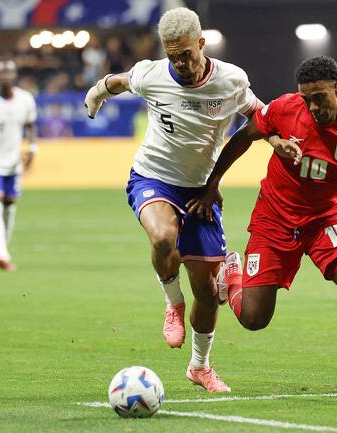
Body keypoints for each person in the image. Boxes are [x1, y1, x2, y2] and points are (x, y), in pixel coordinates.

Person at [189, 56, 337, 394]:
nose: (313, 106)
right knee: (254, 319)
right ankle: (234, 273)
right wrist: (213, 182)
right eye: (307, 98)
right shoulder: (285, 109)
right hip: (274, 219)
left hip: (324, 220)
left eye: (320, 97)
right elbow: (245, 135)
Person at [84, 7, 266, 393]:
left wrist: (280, 138)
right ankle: (172, 302)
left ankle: (200, 366)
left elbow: (259, 115)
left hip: (201, 188)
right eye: (172, 56)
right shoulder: (152, 74)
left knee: (207, 291)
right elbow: (117, 82)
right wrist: (96, 94)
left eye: (186, 53)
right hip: (152, 177)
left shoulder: (231, 80)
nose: (180, 63)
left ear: (201, 43)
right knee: (163, 237)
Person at [0, 59, 37, 271]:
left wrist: (32, 149)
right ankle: (2, 253)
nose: (5, 77)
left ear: (15, 75)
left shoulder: (25, 99)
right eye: (1, 73)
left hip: (12, 163)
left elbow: (30, 125)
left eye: (9, 73)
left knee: (9, 208)